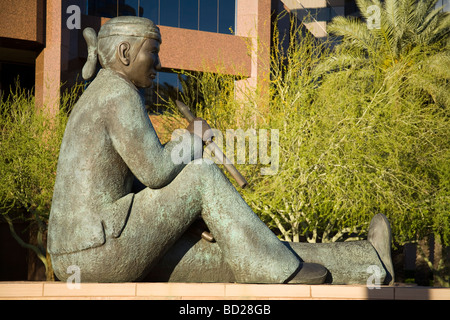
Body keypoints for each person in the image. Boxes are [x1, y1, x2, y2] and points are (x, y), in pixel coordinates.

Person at [47, 16, 328, 284]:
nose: (158, 62)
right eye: (153, 51)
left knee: (231, 252)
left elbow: (135, 180)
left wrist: (187, 212)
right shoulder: (118, 93)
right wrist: (193, 138)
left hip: (83, 254)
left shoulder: (100, 92)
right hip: (98, 250)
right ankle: (276, 270)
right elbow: (155, 171)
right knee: (201, 173)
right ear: (124, 52)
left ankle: (365, 258)